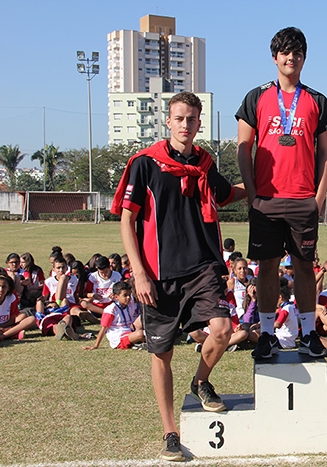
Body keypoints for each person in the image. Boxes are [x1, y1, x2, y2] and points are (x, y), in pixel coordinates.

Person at [112, 91, 246, 462]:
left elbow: (222, 195)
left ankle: (200, 381)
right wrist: (138, 273)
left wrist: (261, 186)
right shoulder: (145, 163)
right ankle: (170, 432)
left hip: (203, 266)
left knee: (221, 329)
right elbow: (126, 220)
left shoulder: (204, 163)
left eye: (192, 119)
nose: (186, 125)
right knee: (162, 353)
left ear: (199, 123)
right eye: (180, 118)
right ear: (168, 122)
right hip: (157, 274)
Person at [236, 26, 327, 360]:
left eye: (297, 52)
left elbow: (325, 154)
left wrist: (319, 199)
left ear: (304, 58)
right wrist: (252, 194)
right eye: (285, 52)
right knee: (267, 267)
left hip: (303, 199)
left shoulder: (317, 101)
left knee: (305, 267)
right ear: (275, 57)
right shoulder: (256, 97)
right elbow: (243, 148)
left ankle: (308, 334)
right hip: (266, 199)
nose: (291, 57)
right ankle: (266, 334)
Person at [83, 281, 144, 350]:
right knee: (140, 334)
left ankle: (140, 342)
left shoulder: (128, 305)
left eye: (129, 295)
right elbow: (103, 329)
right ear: (116, 297)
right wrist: (96, 346)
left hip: (129, 331)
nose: (128, 297)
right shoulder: (111, 310)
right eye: (125, 295)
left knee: (143, 318)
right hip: (119, 337)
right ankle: (140, 342)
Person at [0, 272, 35, 342]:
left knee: (32, 319)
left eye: (4, 287)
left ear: (8, 288)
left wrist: (3, 328)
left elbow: (13, 319)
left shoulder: (11, 298)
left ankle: (1, 337)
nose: (1, 289)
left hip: (6, 325)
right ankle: (12, 334)